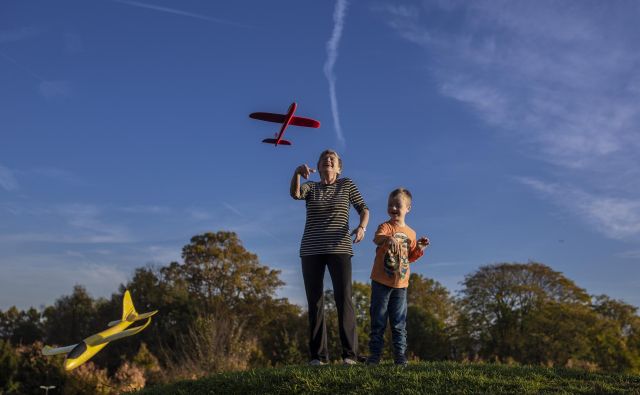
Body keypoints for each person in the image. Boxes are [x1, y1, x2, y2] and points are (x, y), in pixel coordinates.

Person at [290, 149, 369, 366]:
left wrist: (362, 227)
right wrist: (297, 173)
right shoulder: (311, 187)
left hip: (339, 247)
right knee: (315, 302)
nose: (328, 159)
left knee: (344, 299)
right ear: (318, 166)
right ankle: (318, 357)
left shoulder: (347, 185)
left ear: (339, 168)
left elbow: (364, 208)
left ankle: (350, 355)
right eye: (324, 158)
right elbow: (295, 194)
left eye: (332, 158)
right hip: (311, 250)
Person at [367, 188, 430, 366]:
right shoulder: (385, 227)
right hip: (381, 281)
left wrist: (420, 248)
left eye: (398, 205)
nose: (393, 208)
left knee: (399, 323)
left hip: (401, 284)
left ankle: (400, 357)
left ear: (408, 208)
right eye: (390, 205)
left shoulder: (411, 233)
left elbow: (410, 258)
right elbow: (377, 238)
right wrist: (388, 239)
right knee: (378, 320)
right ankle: (374, 356)